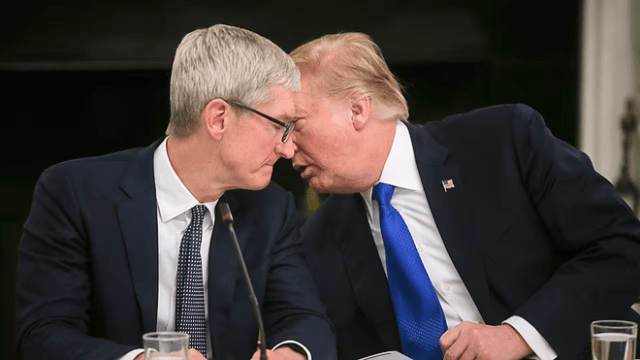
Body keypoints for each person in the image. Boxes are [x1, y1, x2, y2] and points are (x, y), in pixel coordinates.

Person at [289, 32, 640, 360]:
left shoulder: (503, 141)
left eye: (296, 125)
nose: (286, 148)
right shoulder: (318, 238)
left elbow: (624, 246)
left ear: (358, 109)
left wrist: (516, 336)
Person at [16, 24, 336, 360]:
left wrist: (292, 353)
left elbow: (305, 318)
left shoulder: (271, 205)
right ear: (218, 119)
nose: (287, 150)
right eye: (278, 125)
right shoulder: (74, 192)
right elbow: (42, 335)